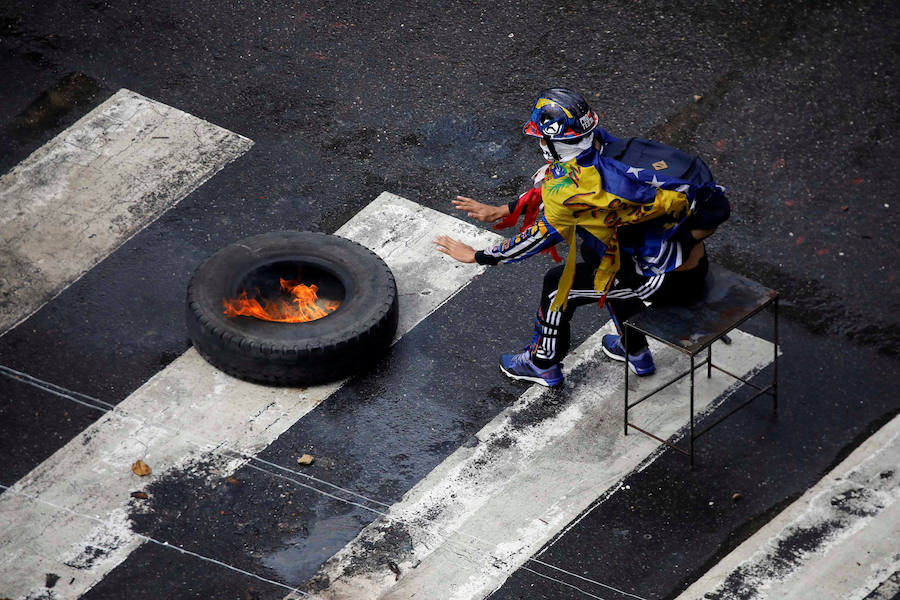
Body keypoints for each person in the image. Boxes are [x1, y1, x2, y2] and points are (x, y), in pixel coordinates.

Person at [435, 88, 729, 387]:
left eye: (541, 137)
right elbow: (558, 182)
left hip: (664, 282)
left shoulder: (574, 190)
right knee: (600, 260)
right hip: (670, 266)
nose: (539, 143)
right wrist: (506, 209)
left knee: (556, 287)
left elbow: (538, 236)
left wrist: (477, 256)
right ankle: (635, 351)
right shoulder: (606, 149)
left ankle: (542, 363)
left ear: (554, 142)